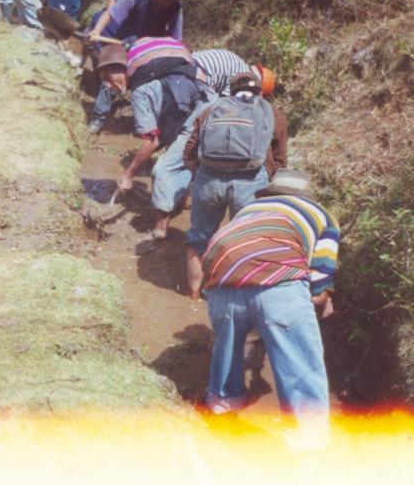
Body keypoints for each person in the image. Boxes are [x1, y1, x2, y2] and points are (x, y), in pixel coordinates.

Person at [200, 168, 339, 446]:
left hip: (221, 278)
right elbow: (321, 274)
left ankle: (222, 408)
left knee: (228, 346)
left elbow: (234, 248)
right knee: (297, 355)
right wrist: (323, 299)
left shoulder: (249, 209)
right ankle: (308, 436)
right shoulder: (321, 215)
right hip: (279, 283)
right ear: (306, 193)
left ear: (271, 191)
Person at [96, 37, 215, 239]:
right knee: (181, 158)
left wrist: (128, 174)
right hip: (213, 107)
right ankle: (182, 201)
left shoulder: (141, 91)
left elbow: (150, 141)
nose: (108, 86)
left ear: (122, 69)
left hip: (200, 117)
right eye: (104, 81)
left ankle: (160, 229)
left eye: (109, 77)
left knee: (163, 170)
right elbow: (162, 133)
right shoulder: (156, 76)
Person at [183, 69, 287, 299]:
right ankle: (234, 298)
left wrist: (198, 172)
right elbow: (280, 160)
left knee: (199, 238)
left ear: (231, 89)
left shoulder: (212, 109)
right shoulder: (272, 113)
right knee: (245, 241)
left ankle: (192, 296)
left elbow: (190, 149)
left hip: (209, 180)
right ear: (260, 90)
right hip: (251, 183)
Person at [87, 0, 187, 133]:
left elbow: (175, 38)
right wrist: (96, 31)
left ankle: (148, 118)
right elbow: (110, 13)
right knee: (115, 74)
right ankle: (99, 117)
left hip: (143, 42)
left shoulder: (175, 8)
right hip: (116, 34)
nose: (167, 2)